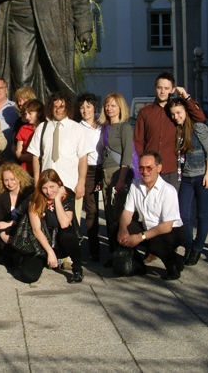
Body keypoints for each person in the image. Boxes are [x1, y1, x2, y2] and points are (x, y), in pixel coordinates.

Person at [118, 151, 185, 280]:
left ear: (159, 168)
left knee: (155, 243)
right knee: (117, 227)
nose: (145, 171)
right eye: (141, 167)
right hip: (147, 226)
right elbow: (127, 212)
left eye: (149, 168)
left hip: (171, 230)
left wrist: (140, 237)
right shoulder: (135, 185)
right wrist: (123, 229)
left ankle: (174, 265)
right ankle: (137, 264)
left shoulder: (168, 190)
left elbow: (166, 226)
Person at [134, 71, 205, 189]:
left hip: (171, 169)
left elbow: (200, 118)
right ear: (155, 88)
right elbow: (138, 140)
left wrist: (186, 97)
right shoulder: (145, 112)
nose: (162, 91)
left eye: (166, 88)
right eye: (159, 88)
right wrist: (143, 163)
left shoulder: (176, 111)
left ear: (172, 90)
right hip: (150, 169)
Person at [27, 91, 93, 215]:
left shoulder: (77, 129)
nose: (58, 110)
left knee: (71, 223)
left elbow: (83, 158)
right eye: (55, 106)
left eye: (62, 106)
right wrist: (37, 182)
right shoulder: (42, 128)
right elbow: (36, 156)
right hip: (47, 188)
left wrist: (81, 183)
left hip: (70, 185)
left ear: (67, 107)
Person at [166, 98, 208, 266]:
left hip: (201, 176)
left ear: (186, 111)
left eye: (179, 113)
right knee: (183, 214)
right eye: (173, 114)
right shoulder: (176, 130)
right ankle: (188, 245)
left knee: (202, 215)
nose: (176, 117)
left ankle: (197, 248)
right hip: (185, 178)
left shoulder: (198, 128)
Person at [20, 169, 84, 284]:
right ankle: (47, 261)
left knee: (68, 235)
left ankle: (77, 269)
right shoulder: (35, 198)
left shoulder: (67, 195)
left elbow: (65, 223)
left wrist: (57, 200)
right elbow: (36, 230)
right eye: (44, 188)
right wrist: (50, 252)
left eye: (52, 187)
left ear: (59, 184)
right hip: (41, 243)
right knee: (28, 276)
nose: (48, 192)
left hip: (61, 241)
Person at [99, 93, 134, 265]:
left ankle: (123, 252)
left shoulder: (124, 127)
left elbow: (127, 154)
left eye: (113, 105)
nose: (109, 108)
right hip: (105, 172)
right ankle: (113, 251)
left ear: (120, 108)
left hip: (118, 173)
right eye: (107, 105)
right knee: (109, 214)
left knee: (119, 214)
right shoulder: (105, 127)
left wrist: (121, 180)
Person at [77, 92, 103, 262]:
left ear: (94, 107)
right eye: (82, 107)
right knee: (92, 210)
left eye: (88, 106)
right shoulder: (78, 128)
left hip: (104, 168)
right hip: (88, 170)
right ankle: (94, 249)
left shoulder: (103, 125)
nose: (85, 110)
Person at [0, 162, 34, 262]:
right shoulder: (0, 196)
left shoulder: (28, 194)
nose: (9, 183)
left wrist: (10, 223)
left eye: (12, 179)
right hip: (5, 232)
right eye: (6, 180)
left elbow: (28, 219)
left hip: (24, 231)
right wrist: (3, 235)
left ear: (19, 178)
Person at [15, 98, 44, 173]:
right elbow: (18, 152)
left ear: (39, 113)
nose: (27, 117)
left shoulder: (46, 128)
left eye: (30, 113)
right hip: (27, 169)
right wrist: (24, 157)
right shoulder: (24, 129)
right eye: (25, 114)